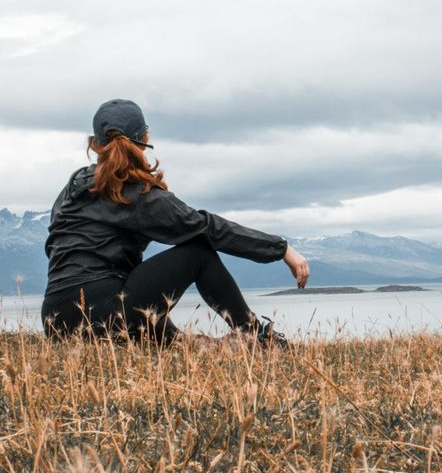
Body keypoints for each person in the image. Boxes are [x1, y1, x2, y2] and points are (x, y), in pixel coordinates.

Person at [41, 99, 310, 345]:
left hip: (54, 319)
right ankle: (254, 334)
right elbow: (205, 227)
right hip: (107, 314)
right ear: (145, 138)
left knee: (176, 340)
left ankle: (181, 340)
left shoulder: (72, 188)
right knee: (198, 252)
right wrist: (281, 249)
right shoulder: (133, 193)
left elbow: (54, 245)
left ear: (95, 143)